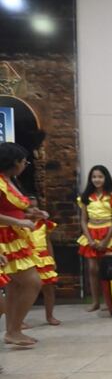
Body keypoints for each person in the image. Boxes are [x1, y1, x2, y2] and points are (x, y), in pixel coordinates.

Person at [0, 142, 47, 346]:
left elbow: (12, 209)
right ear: (14, 162)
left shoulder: (10, 180)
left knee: (16, 286)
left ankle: (13, 330)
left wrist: (32, 214)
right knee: (32, 282)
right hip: (5, 239)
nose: (25, 164)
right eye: (23, 161)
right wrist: (18, 221)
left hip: (16, 237)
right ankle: (14, 329)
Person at [77, 165, 112, 312]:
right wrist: (89, 239)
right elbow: (83, 220)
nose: (97, 180)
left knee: (107, 269)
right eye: (94, 177)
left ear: (106, 178)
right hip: (91, 233)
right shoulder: (85, 198)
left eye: (100, 176)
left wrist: (105, 241)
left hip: (109, 233)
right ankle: (95, 301)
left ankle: (109, 301)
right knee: (92, 269)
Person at [28, 195, 60, 326]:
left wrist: (52, 259)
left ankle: (50, 316)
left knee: (49, 288)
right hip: (29, 258)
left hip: (44, 257)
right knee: (28, 290)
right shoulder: (21, 225)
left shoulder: (44, 224)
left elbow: (48, 242)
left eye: (36, 206)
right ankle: (20, 319)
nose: (34, 210)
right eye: (30, 207)